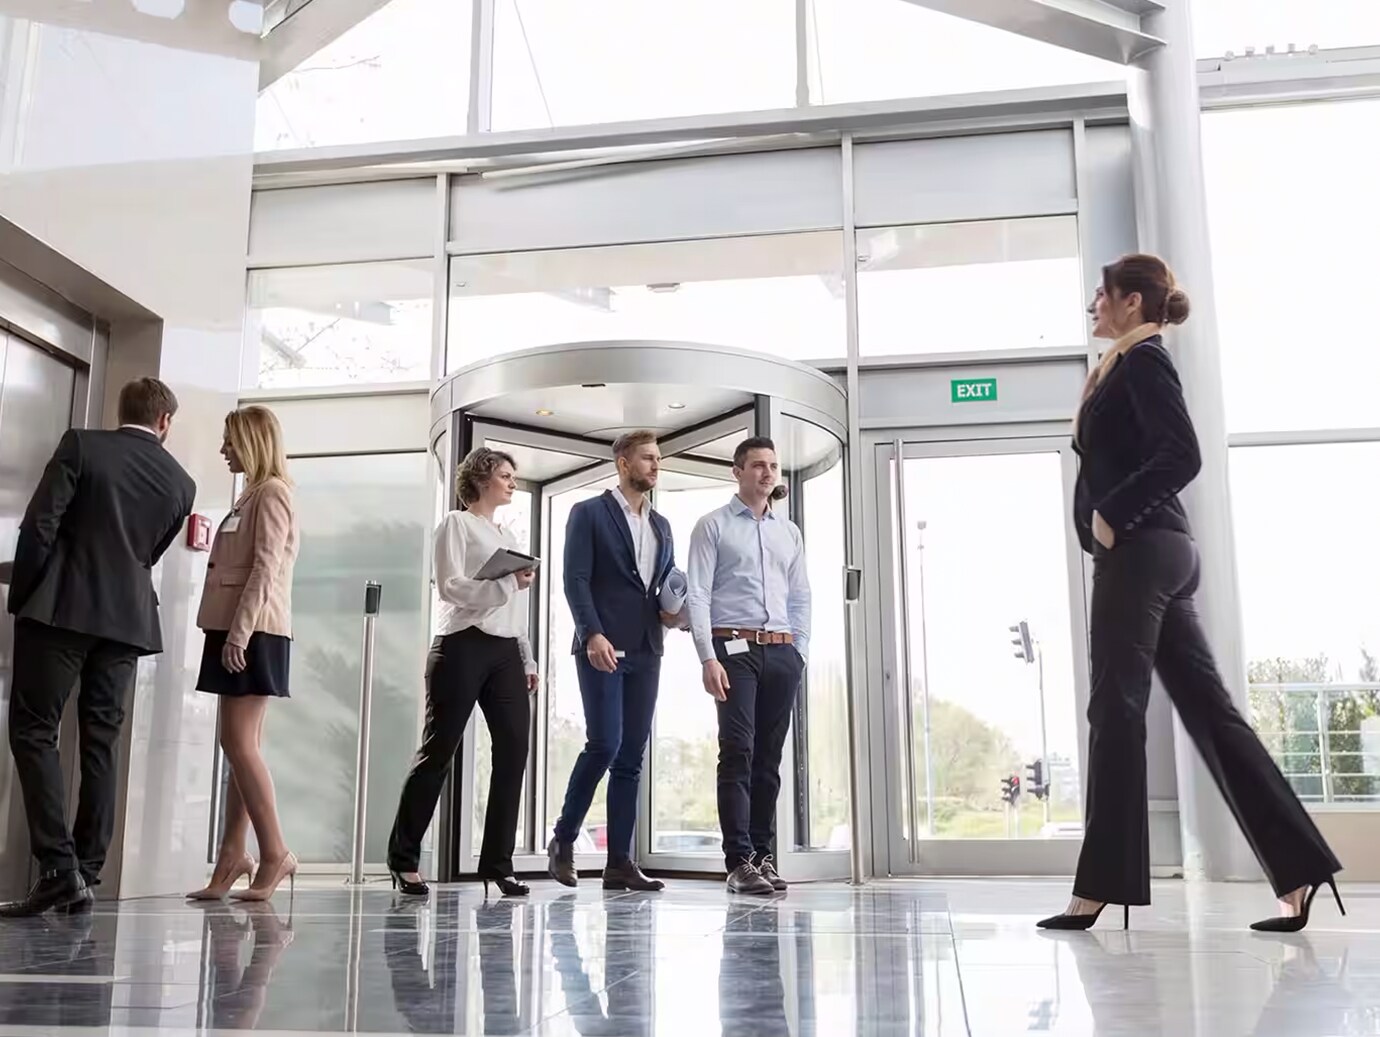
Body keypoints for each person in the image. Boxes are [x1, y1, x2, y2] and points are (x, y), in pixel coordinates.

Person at [1037, 254, 1342, 933]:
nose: (1094, 302)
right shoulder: (1119, 365)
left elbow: (1182, 453)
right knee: (1211, 711)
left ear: (1134, 301)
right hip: (1161, 552)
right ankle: (1298, 872)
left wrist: (1112, 515)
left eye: (1103, 293)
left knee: (1114, 708)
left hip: (1142, 552)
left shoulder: (1144, 362)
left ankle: (1101, 885)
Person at [1, 377, 195, 917]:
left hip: (60, 609)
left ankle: (60, 871)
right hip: (126, 622)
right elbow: (148, 554)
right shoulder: (182, 482)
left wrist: (25, 597)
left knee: (35, 728)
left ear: (122, 410)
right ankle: (87, 871)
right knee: (100, 743)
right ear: (164, 422)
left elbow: (40, 527)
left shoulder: (82, 445)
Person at [387, 447, 539, 898]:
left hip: (506, 650)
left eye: (514, 476)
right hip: (461, 646)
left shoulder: (506, 531)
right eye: (505, 475)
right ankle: (404, 860)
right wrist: (508, 582)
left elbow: (516, 606)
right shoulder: (455, 524)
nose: (512, 482)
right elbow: (451, 586)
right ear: (481, 479)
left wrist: (527, 658)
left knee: (514, 751)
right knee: (438, 752)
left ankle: (498, 863)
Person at [547, 431, 680, 892]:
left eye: (658, 459)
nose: (655, 466)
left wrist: (673, 611)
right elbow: (575, 580)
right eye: (647, 458)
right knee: (604, 743)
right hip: (601, 646)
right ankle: (563, 840)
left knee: (631, 757)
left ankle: (619, 862)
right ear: (623, 463)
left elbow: (660, 587)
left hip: (647, 647)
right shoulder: (588, 514)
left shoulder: (662, 526)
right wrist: (592, 633)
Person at [687, 436, 810, 896]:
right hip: (732, 648)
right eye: (757, 465)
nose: (767, 473)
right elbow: (697, 593)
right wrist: (706, 656)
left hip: (781, 651)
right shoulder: (712, 526)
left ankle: (763, 855)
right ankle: (738, 861)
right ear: (736, 471)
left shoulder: (788, 531)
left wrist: (800, 651)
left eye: (773, 466)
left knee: (769, 759)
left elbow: (800, 595)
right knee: (737, 750)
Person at [190, 405, 300, 902]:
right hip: (236, 627)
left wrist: (239, 633)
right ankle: (233, 854)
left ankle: (276, 853)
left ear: (252, 442)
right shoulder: (250, 495)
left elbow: (265, 568)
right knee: (237, 746)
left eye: (229, 442)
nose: (223, 450)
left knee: (239, 744)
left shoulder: (272, 494)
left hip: (252, 629)